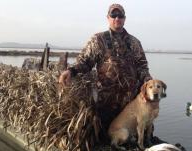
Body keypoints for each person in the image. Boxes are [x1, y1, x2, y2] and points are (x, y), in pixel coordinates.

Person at [59, 4, 152, 134]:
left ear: (124, 19)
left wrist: (150, 83)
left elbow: (142, 67)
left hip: (130, 104)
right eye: (113, 15)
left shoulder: (134, 42)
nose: (117, 18)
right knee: (104, 135)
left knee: (129, 137)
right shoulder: (98, 40)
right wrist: (71, 71)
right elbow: (85, 62)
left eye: (120, 16)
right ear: (108, 18)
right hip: (106, 102)